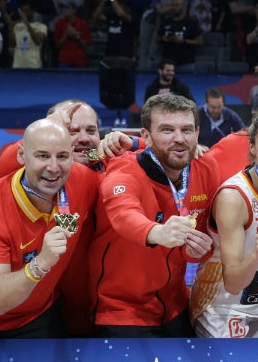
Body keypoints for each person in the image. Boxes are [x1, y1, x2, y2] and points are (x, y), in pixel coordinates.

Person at [90, 94, 219, 336]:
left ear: (198, 132)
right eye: (167, 130)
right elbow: (124, 215)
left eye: (186, 130)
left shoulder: (206, 166)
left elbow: (205, 231)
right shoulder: (124, 169)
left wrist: (198, 249)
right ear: (146, 136)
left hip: (177, 305)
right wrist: (158, 232)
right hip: (122, 311)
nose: (179, 139)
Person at [190, 111, 258, 338]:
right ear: (252, 148)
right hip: (223, 306)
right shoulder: (234, 197)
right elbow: (232, 282)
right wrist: (257, 253)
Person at [0, 119, 101, 338]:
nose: (53, 168)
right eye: (42, 156)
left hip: (41, 317)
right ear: (21, 155)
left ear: (71, 155)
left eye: (62, 156)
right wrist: (42, 262)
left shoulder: (82, 181)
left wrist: (133, 141)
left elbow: (109, 161)